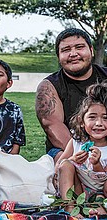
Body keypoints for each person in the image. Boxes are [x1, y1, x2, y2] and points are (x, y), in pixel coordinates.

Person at [35, 28, 107, 163]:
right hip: (66, 147)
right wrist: (85, 155)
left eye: (79, 47)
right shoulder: (48, 87)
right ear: (58, 56)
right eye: (66, 50)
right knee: (67, 165)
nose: (73, 54)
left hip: (105, 141)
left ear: (91, 50)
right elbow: (53, 127)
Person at [57, 81, 107, 216]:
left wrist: (96, 165)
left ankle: (100, 209)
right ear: (81, 121)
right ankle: (69, 206)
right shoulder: (77, 142)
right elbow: (58, 167)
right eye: (92, 117)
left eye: (105, 118)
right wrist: (73, 160)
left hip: (103, 193)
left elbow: (103, 180)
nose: (99, 123)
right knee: (66, 164)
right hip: (79, 191)